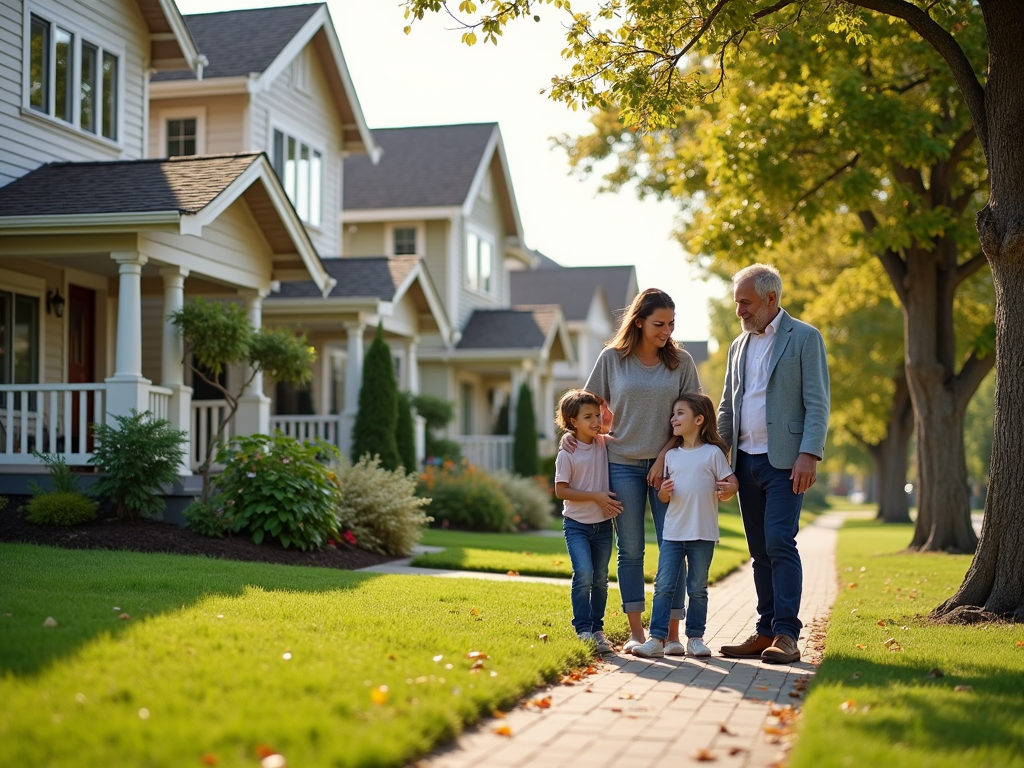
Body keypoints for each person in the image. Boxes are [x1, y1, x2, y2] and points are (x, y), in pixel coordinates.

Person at [566, 288, 702, 653]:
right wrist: (571, 438)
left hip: (669, 465)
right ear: (639, 321)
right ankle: (638, 634)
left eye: (671, 324)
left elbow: (692, 422)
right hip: (621, 462)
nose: (666, 331)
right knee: (630, 551)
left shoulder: (682, 363)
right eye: (659, 324)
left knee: (673, 546)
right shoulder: (611, 359)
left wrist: (663, 456)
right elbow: (584, 407)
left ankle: (672, 635)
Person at [717, 264, 830, 664]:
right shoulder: (738, 346)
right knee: (759, 549)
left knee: (780, 541)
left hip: (786, 462)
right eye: (736, 303)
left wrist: (809, 453)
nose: (739, 312)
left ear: (770, 299)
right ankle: (764, 630)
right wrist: (717, 457)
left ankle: (786, 635)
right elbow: (728, 406)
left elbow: (817, 401)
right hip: (745, 461)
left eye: (745, 303)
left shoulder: (805, 338)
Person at [632, 393, 739, 659]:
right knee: (664, 586)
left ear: (699, 419)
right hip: (673, 533)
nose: (673, 419)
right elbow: (663, 497)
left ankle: (695, 639)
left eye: (680, 413)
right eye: (673, 414)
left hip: (703, 533)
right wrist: (664, 492)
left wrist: (730, 489)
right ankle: (656, 639)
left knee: (698, 588)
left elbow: (732, 482)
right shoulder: (671, 456)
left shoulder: (713, 453)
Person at [554, 389, 623, 654]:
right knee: (583, 574)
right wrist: (595, 496)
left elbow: (619, 425)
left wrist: (605, 408)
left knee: (601, 579)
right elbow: (561, 491)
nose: (595, 421)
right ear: (573, 421)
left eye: (597, 415)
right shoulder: (567, 452)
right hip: (576, 525)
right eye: (588, 417)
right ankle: (582, 628)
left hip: (603, 526)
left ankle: (597, 629)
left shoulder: (604, 443)